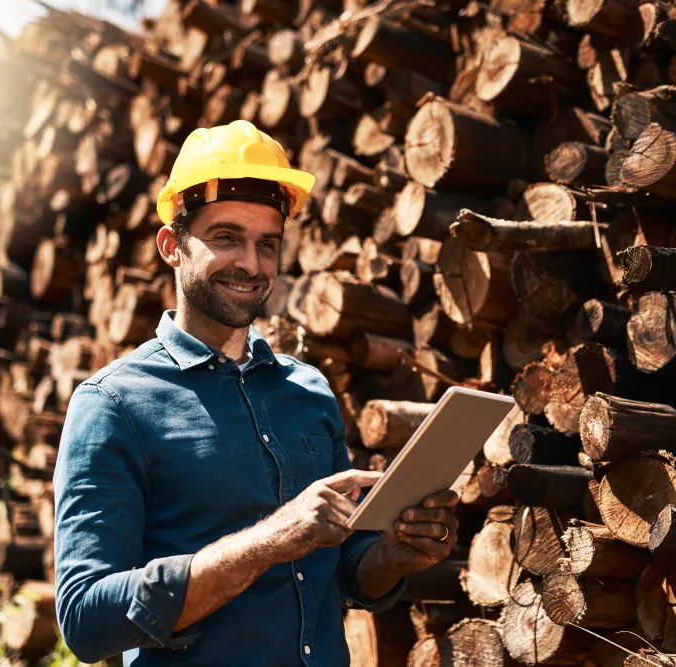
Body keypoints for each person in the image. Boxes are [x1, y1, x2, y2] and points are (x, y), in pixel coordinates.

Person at [53, 120, 459, 666]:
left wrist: (391, 554)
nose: (251, 263)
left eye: (267, 244)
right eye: (226, 238)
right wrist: (270, 539)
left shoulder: (308, 390)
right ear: (172, 246)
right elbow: (84, 619)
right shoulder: (113, 405)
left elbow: (338, 572)